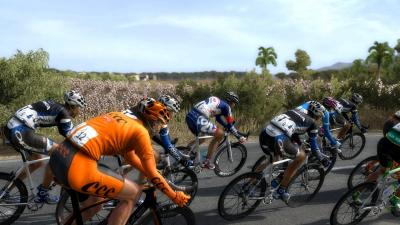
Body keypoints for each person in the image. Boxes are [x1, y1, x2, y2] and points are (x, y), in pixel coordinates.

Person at [49, 97, 190, 225]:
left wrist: (148, 171)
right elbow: (152, 173)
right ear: (152, 120)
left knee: (96, 204)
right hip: (77, 166)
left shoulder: (118, 116)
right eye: (160, 123)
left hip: (59, 157)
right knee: (133, 193)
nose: (159, 129)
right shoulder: (140, 132)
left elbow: (129, 156)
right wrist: (174, 195)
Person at [3, 90, 86, 204]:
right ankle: (43, 194)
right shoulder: (64, 114)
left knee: (37, 160)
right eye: (79, 108)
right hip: (21, 131)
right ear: (73, 106)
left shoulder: (56, 106)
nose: (79, 111)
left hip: (11, 127)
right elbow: (73, 137)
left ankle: (5, 191)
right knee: (59, 154)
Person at [259, 101, 326, 203]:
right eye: (320, 116)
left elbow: (293, 133)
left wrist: (298, 144)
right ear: (318, 115)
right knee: (301, 156)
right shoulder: (312, 123)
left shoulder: (294, 111)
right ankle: (282, 189)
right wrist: (322, 158)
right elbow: (314, 147)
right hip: (278, 138)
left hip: (265, 132)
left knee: (272, 159)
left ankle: (251, 181)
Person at [185, 91, 246, 170]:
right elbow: (231, 125)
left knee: (202, 137)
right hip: (199, 119)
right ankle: (207, 161)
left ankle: (186, 152)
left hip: (190, 116)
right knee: (220, 134)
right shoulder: (227, 107)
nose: (234, 106)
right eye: (234, 104)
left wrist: (226, 125)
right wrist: (239, 137)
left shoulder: (217, 101)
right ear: (232, 102)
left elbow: (218, 118)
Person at [360, 111, 400, 216]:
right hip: (394, 146)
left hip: (383, 143)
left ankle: (357, 193)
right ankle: (395, 199)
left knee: (382, 170)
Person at [154, 94, 193, 167]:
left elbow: (168, 143)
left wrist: (178, 153)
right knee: (154, 159)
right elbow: (168, 146)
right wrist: (183, 162)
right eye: (172, 112)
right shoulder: (159, 120)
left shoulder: (160, 118)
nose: (172, 115)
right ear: (165, 109)